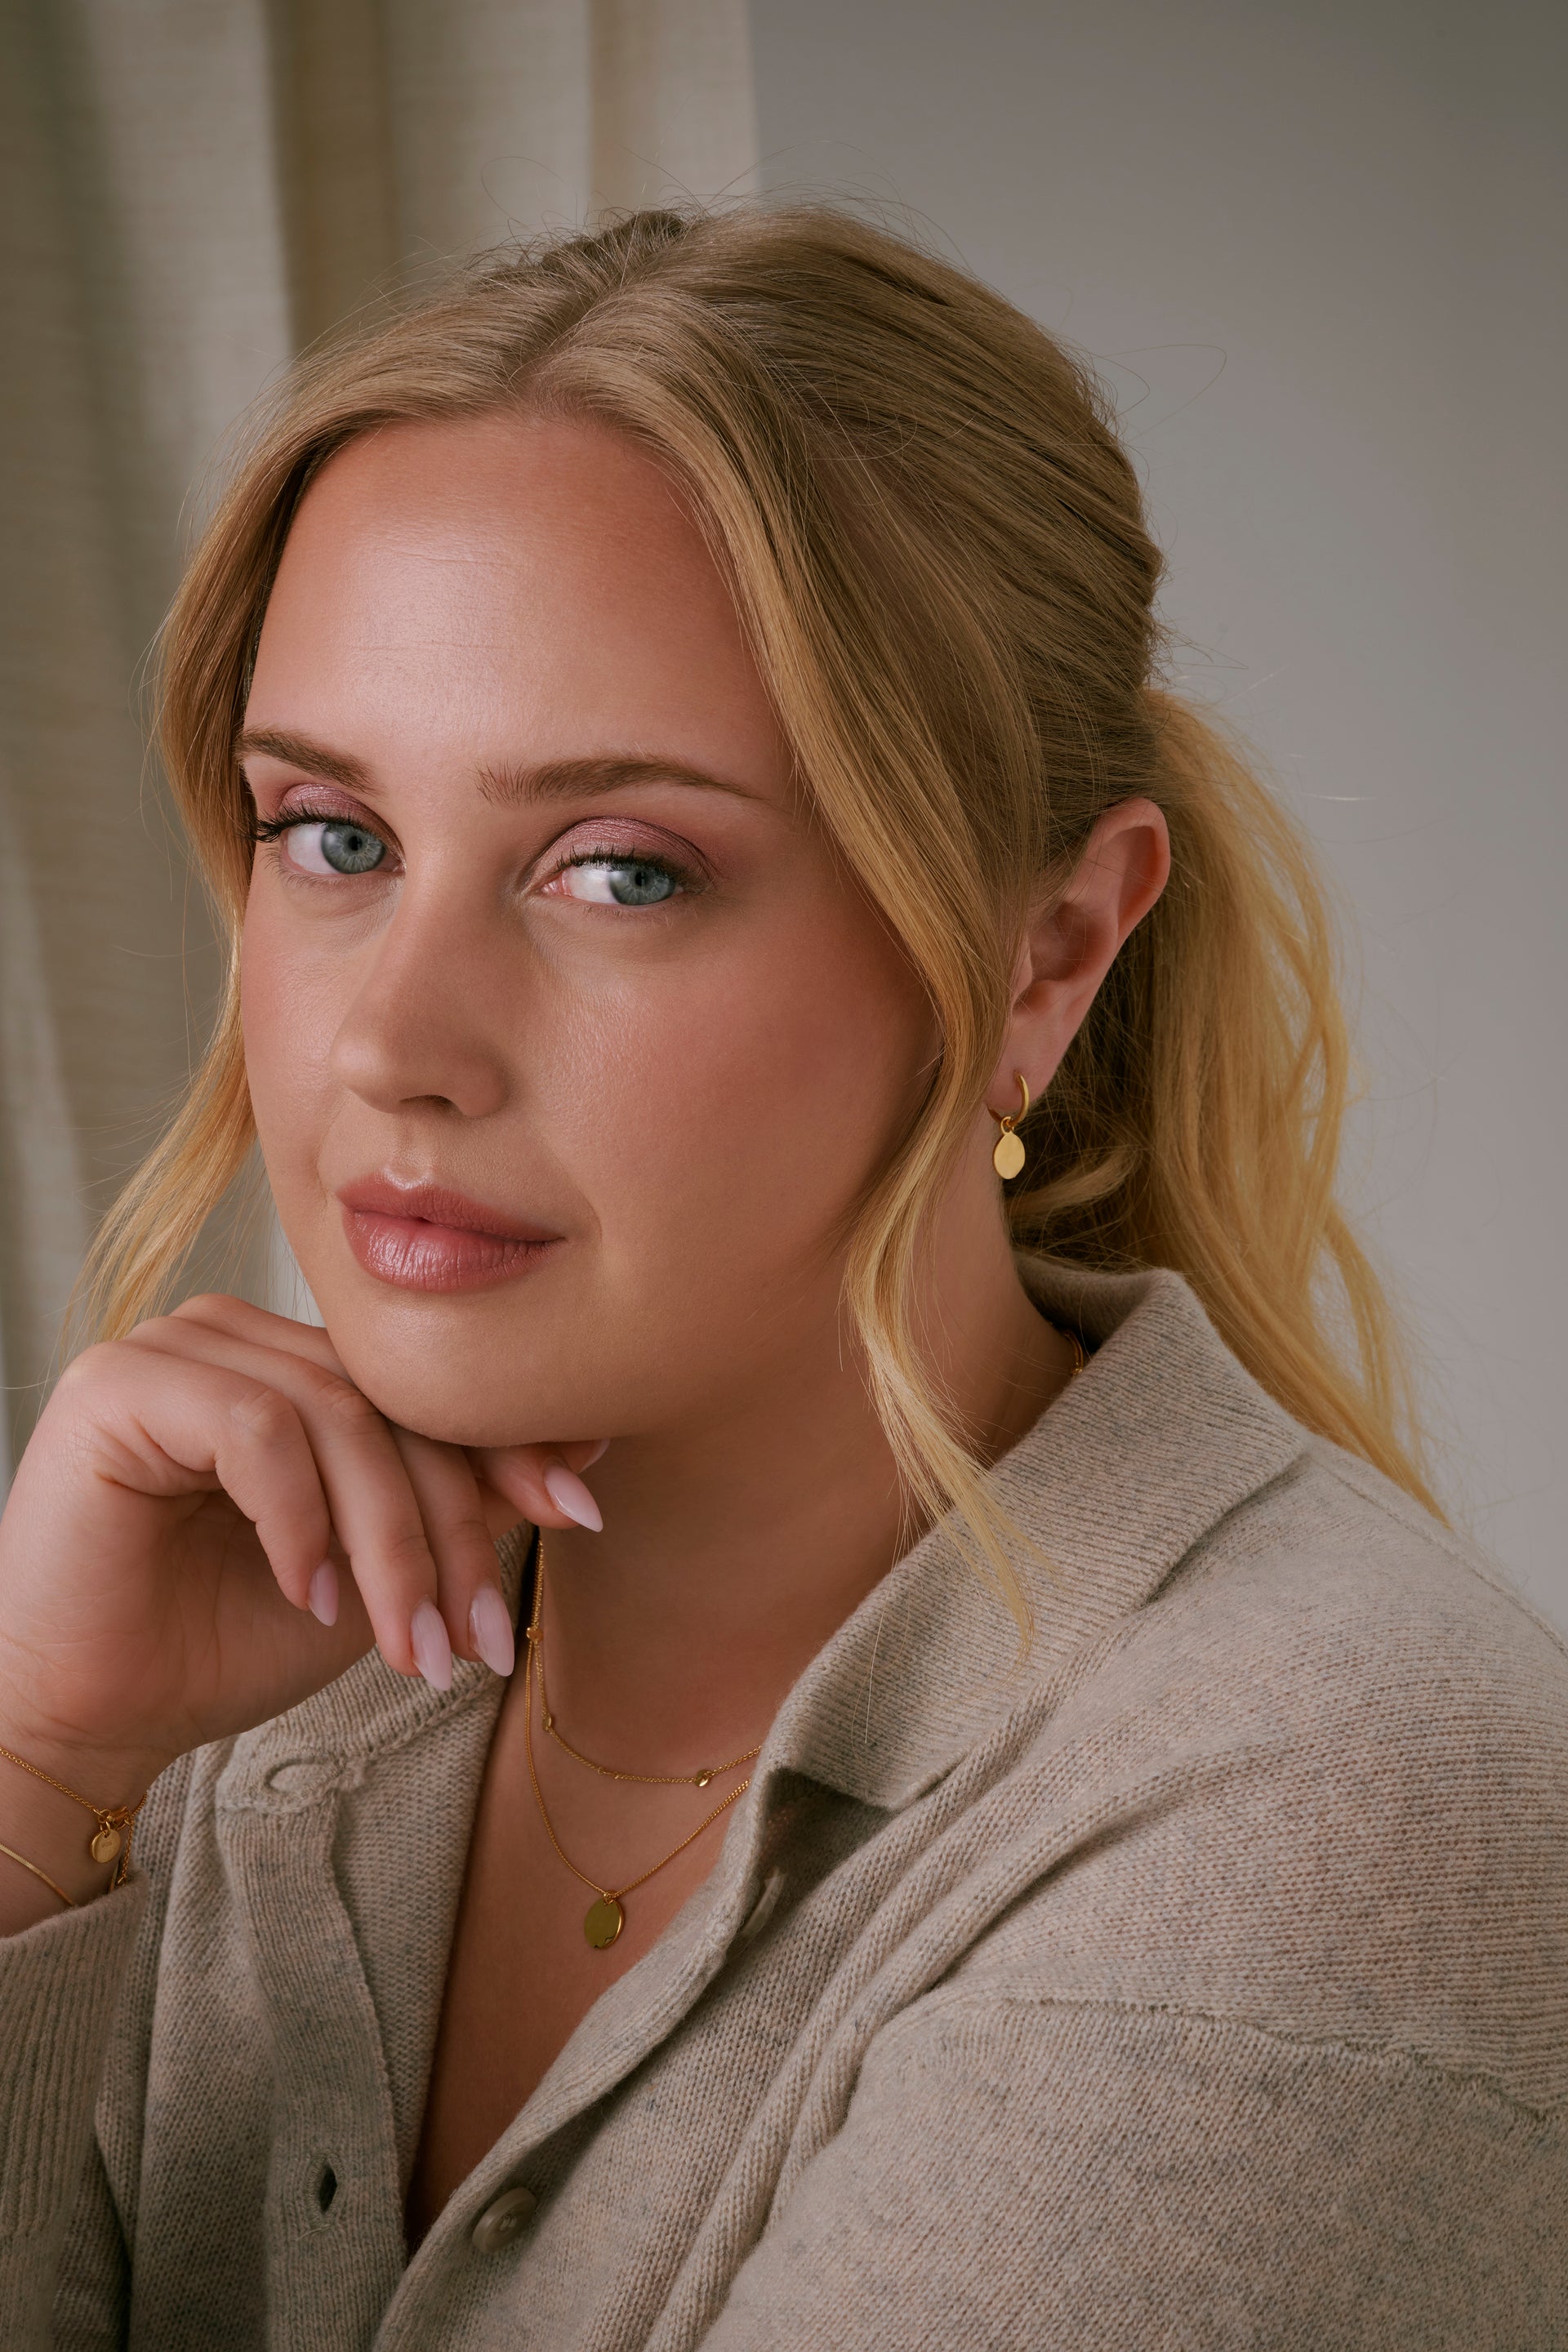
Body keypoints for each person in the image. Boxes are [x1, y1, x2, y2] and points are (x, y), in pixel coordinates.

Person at [0, 204, 1561, 2351]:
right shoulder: (217, 1690)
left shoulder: (1325, 1818)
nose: (391, 1046)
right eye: (333, 837)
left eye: (621, 869)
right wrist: (35, 1773)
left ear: (1045, 955)